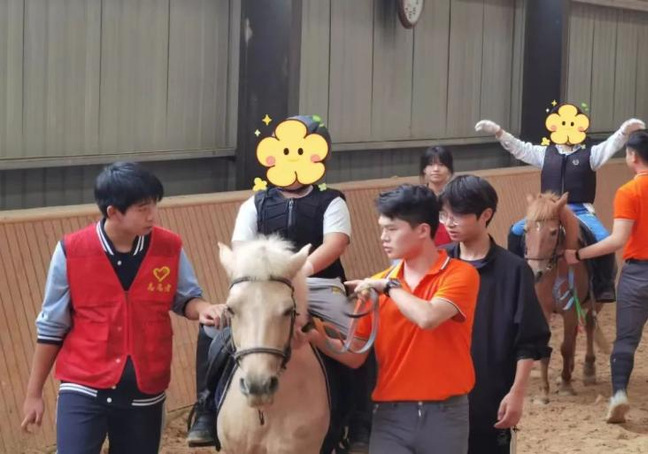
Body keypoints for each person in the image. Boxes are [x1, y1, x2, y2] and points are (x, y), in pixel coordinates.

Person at [187, 115, 373, 453]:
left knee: (355, 339)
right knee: (213, 329)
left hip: (319, 285)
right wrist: (266, 275)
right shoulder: (255, 202)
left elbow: (335, 243)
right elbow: (241, 246)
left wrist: (297, 270)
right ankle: (205, 409)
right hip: (262, 287)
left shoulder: (331, 201)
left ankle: (359, 420)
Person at [21, 162, 221, 454]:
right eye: (142, 208)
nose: (153, 215)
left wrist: (203, 308)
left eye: (154, 205)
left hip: (146, 391)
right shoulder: (71, 251)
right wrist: (34, 394)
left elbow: (186, 298)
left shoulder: (169, 247)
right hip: (83, 389)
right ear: (113, 211)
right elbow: (52, 327)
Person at [308, 184, 480, 454]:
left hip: (446, 416)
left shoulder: (460, 274)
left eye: (391, 229)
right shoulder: (375, 285)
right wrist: (314, 335)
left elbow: (428, 317)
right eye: (382, 229)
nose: (383, 237)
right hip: (389, 417)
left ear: (422, 230)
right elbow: (355, 355)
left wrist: (388, 287)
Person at [476, 112, 645, 302]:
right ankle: (516, 277)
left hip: (580, 210)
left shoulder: (591, 154)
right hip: (548, 210)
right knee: (515, 231)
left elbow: (610, 145)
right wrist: (499, 132)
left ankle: (603, 284)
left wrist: (623, 132)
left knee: (603, 238)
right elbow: (519, 148)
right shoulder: (544, 153)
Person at [440, 175, 551, 453]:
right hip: (440, 398)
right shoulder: (437, 262)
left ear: (486, 214)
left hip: (490, 397)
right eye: (444, 215)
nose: (449, 223)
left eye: (459, 215)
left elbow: (529, 340)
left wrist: (517, 393)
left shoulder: (514, 270)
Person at [565, 130, 648, 424]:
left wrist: (579, 254)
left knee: (625, 340)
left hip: (638, 274)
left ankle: (619, 395)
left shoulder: (629, 192)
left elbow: (617, 241)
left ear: (632, 156)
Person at [420, 146, 454, 246]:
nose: (436, 169)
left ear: (449, 169)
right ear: (424, 169)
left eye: (441, 165)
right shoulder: (417, 197)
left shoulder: (457, 195)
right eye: (430, 165)